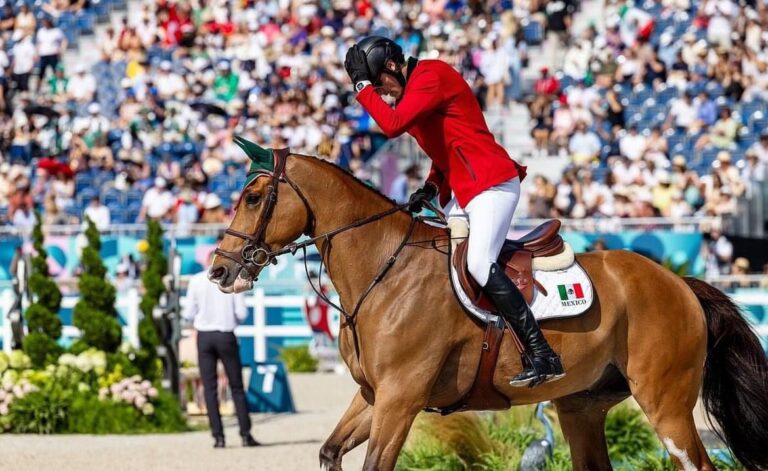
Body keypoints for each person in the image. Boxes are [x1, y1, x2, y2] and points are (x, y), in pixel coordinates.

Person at [344, 36, 564, 387]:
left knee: (478, 263)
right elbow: (446, 147)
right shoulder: (413, 92)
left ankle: (542, 353)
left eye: (379, 83)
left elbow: (390, 125)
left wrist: (360, 87)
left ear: (390, 67)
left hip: (491, 183)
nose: (381, 92)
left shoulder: (431, 75)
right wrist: (431, 188)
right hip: (464, 190)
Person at [183, 252, 259, 449]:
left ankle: (218, 436)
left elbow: (188, 312)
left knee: (210, 388)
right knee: (236, 386)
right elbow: (242, 312)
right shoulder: (229, 280)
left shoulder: (196, 281)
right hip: (225, 334)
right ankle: (245, 434)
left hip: (205, 336)